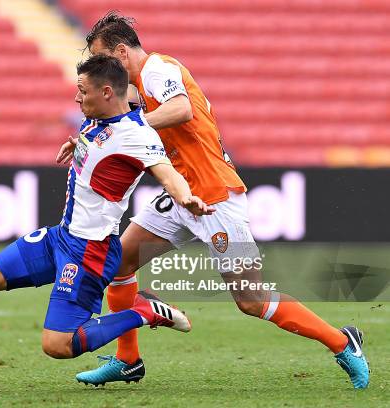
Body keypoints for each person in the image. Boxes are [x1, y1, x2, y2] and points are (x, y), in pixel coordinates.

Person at [57, 12, 368, 389]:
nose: (102, 70)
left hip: (215, 197)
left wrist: (126, 126)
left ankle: (342, 342)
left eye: (104, 59)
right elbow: (124, 128)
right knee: (119, 263)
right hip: (181, 197)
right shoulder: (138, 85)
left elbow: (181, 109)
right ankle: (128, 360)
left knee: (251, 299)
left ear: (122, 52)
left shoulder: (158, 68)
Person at [0, 54, 215, 377]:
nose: (77, 98)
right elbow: (108, 134)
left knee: (57, 345)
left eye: (82, 91)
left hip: (90, 252)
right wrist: (79, 144)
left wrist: (187, 199)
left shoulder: (138, 136)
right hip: (60, 238)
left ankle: (144, 313)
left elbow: (167, 173)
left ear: (107, 92)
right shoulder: (99, 119)